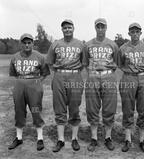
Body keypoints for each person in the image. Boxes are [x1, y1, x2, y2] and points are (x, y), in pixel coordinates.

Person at [46, 19, 85, 152]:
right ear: (61, 30)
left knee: (74, 107)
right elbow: (50, 62)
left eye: (69, 27)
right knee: (59, 107)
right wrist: (58, 72)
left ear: (73, 28)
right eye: (65, 28)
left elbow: (84, 62)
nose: (67, 30)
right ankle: (61, 140)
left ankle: (74, 138)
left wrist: (74, 72)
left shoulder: (80, 44)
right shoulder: (56, 44)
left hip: (75, 76)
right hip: (59, 76)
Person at [8, 33, 50, 151]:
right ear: (21, 44)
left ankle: (40, 138)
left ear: (33, 43)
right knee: (19, 110)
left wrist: (37, 82)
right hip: (20, 84)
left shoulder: (40, 56)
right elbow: (13, 74)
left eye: (29, 42)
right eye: (24, 43)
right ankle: (19, 137)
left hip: (34, 86)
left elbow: (45, 73)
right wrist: (21, 83)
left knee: (36, 110)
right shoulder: (15, 57)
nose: (27, 45)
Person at [84, 18, 119, 152]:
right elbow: (85, 63)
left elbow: (116, 63)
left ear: (106, 28)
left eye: (102, 27)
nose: (100, 29)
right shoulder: (88, 45)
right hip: (93, 76)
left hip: (108, 76)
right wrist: (93, 73)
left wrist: (107, 72)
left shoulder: (113, 44)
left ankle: (108, 137)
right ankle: (94, 138)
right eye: (98, 27)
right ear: (95, 28)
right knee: (92, 107)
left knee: (109, 107)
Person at [118, 23, 144, 152]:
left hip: (143, 78)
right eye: (132, 31)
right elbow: (119, 63)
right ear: (129, 33)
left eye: (137, 31)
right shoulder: (123, 48)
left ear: (140, 33)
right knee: (128, 108)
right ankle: (128, 139)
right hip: (128, 77)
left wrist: (142, 72)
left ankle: (142, 139)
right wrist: (130, 71)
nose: (135, 34)